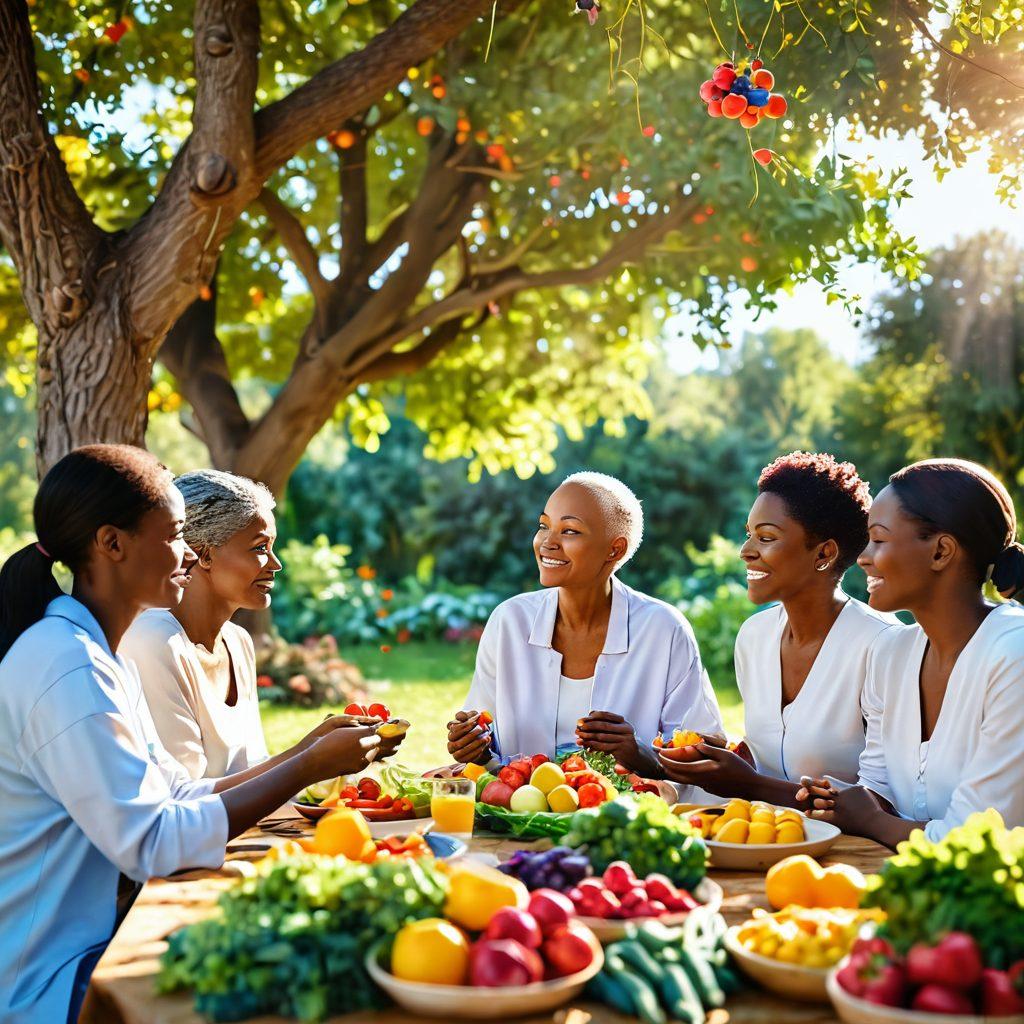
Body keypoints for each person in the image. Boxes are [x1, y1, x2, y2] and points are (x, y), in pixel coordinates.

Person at [0, 446, 397, 1023]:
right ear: (112, 544)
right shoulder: (69, 667)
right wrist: (306, 766)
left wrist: (311, 755)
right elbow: (153, 843)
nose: (188, 554)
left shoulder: (96, 656)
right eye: (176, 535)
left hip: (95, 945)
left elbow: (176, 794)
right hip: (53, 977)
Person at [799, 458, 1024, 847]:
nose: (864, 558)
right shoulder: (891, 652)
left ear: (941, 551)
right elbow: (877, 787)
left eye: (879, 540)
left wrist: (869, 820)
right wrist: (839, 800)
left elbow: (977, 839)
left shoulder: (1012, 655)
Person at [447, 472, 723, 777]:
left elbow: (703, 758)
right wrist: (476, 748)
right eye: (544, 526)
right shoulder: (509, 622)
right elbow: (484, 744)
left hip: (622, 821)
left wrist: (638, 754)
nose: (547, 542)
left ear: (614, 550)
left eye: (570, 531)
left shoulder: (663, 630)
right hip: (518, 819)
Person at [660, 452, 897, 806]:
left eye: (766, 538)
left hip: (849, 852)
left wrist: (748, 784)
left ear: (823, 554)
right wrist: (721, 758)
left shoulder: (882, 646)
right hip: (760, 839)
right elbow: (768, 756)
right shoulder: (754, 637)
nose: (745, 551)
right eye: (749, 535)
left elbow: (883, 799)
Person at [121, 470, 281, 779]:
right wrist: (312, 756)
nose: (276, 564)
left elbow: (256, 769)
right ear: (204, 554)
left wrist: (331, 758)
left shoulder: (238, 641)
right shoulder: (154, 642)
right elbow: (184, 796)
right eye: (260, 548)